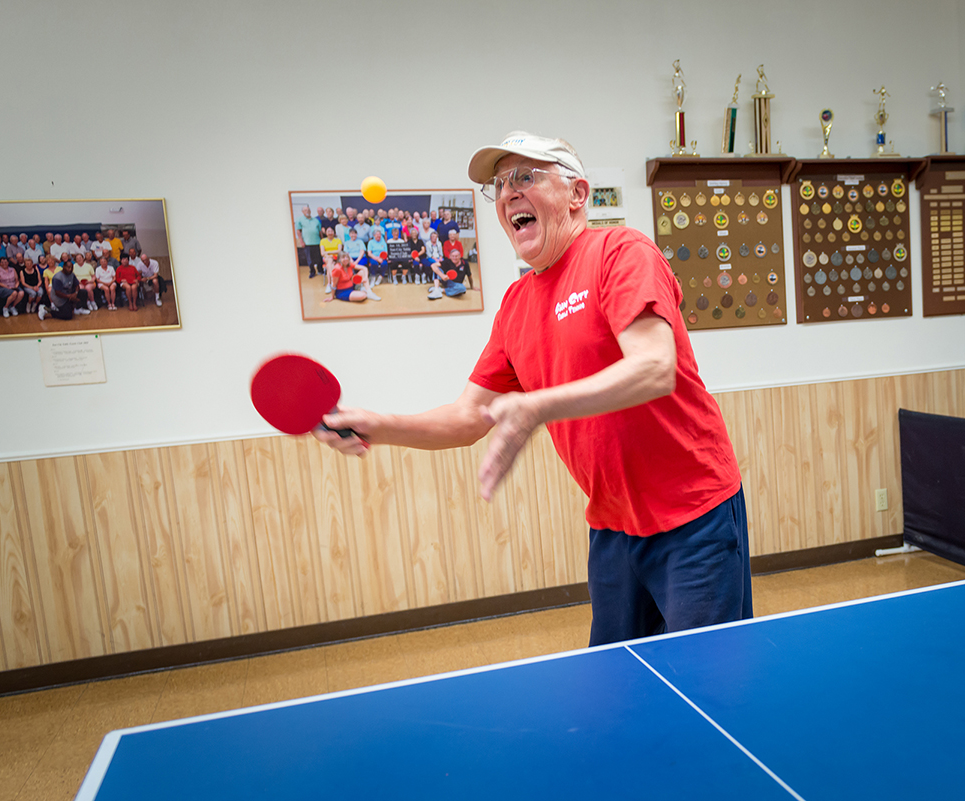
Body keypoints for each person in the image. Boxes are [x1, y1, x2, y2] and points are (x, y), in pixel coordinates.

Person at [315, 131, 751, 647]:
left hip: (694, 517)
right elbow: (469, 417)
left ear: (578, 194)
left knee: (707, 689)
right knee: (621, 689)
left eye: (526, 176)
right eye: (500, 185)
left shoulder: (620, 251)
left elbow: (655, 367)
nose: (508, 194)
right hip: (613, 528)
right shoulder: (517, 304)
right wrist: (379, 425)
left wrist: (536, 406)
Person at [295, 205, 323, 279]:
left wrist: (322, 241)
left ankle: (320, 270)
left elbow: (320, 231)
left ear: (310, 211)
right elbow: (298, 231)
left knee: (319, 258)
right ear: (302, 212)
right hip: (307, 243)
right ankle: (312, 272)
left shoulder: (316, 220)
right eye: (305, 210)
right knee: (310, 259)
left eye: (308, 210)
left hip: (317, 242)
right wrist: (301, 241)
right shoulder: (299, 220)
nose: (307, 211)